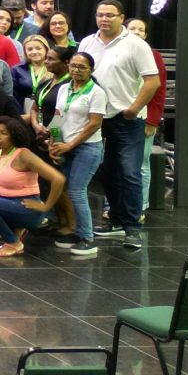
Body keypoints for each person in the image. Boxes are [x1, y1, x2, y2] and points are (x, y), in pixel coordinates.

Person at [81, 0, 159, 250]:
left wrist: (134, 108)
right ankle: (115, 220)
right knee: (107, 172)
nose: (104, 19)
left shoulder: (136, 44)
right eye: (100, 14)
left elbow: (153, 81)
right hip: (96, 117)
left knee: (129, 172)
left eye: (110, 15)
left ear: (121, 18)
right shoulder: (87, 42)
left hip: (126, 119)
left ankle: (133, 228)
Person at [0, 117, 68, 260]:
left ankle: (12, 242)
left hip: (26, 206)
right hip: (3, 204)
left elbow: (58, 179)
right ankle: (13, 229)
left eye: (3, 133)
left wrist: (46, 206)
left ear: (14, 135)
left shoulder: (24, 155)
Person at [42, 50, 106, 258]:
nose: (76, 70)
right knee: (70, 190)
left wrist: (69, 145)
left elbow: (94, 124)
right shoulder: (64, 88)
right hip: (65, 146)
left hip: (87, 148)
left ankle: (87, 238)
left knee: (78, 191)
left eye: (82, 67)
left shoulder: (96, 92)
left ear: (91, 70)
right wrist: (53, 143)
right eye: (73, 66)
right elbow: (58, 116)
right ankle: (78, 232)